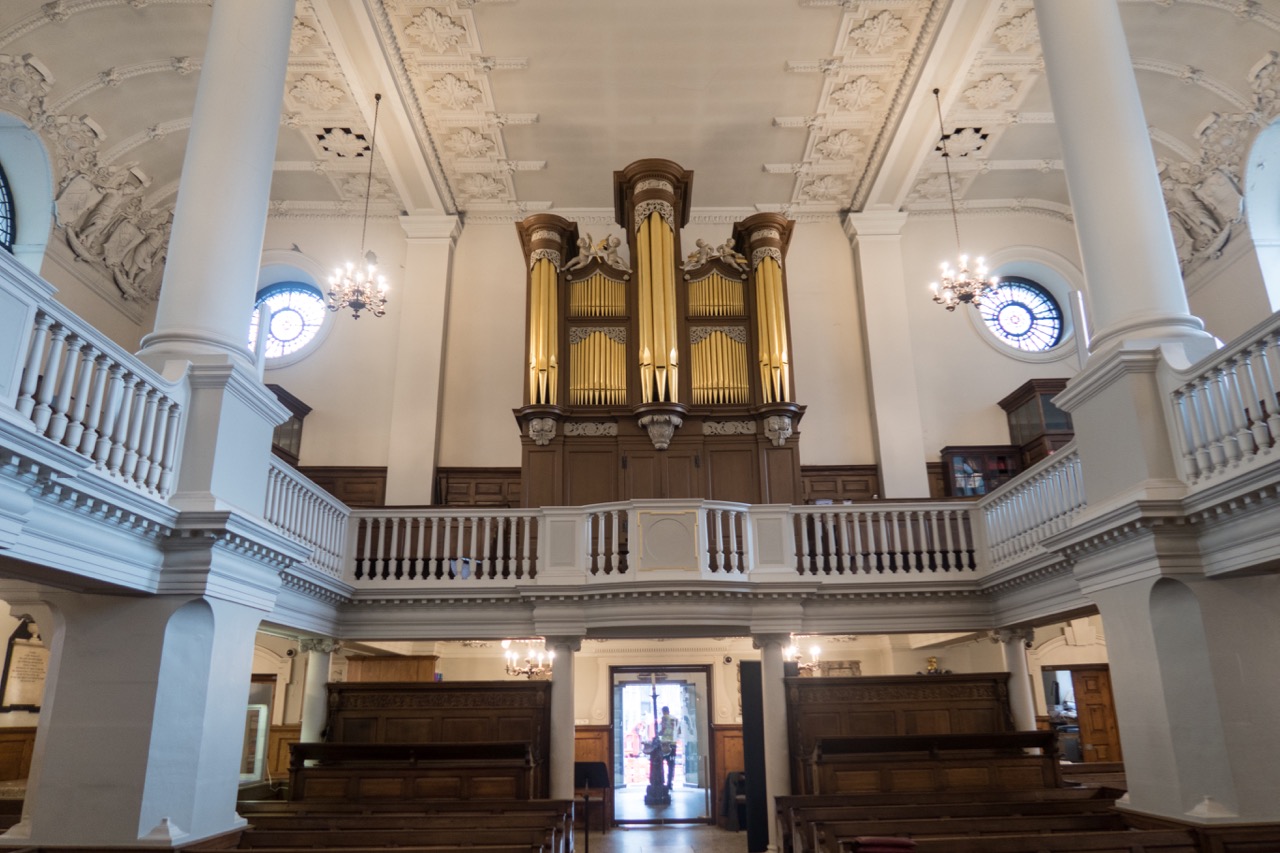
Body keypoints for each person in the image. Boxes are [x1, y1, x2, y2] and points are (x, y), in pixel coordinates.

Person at [658, 705, 680, 789]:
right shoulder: (675, 719)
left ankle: (661, 782)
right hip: (673, 744)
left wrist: (658, 734)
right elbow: (679, 731)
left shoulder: (664, 718)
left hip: (665, 744)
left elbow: (662, 730)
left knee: (660, 763)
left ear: (663, 711)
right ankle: (669, 783)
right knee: (671, 765)